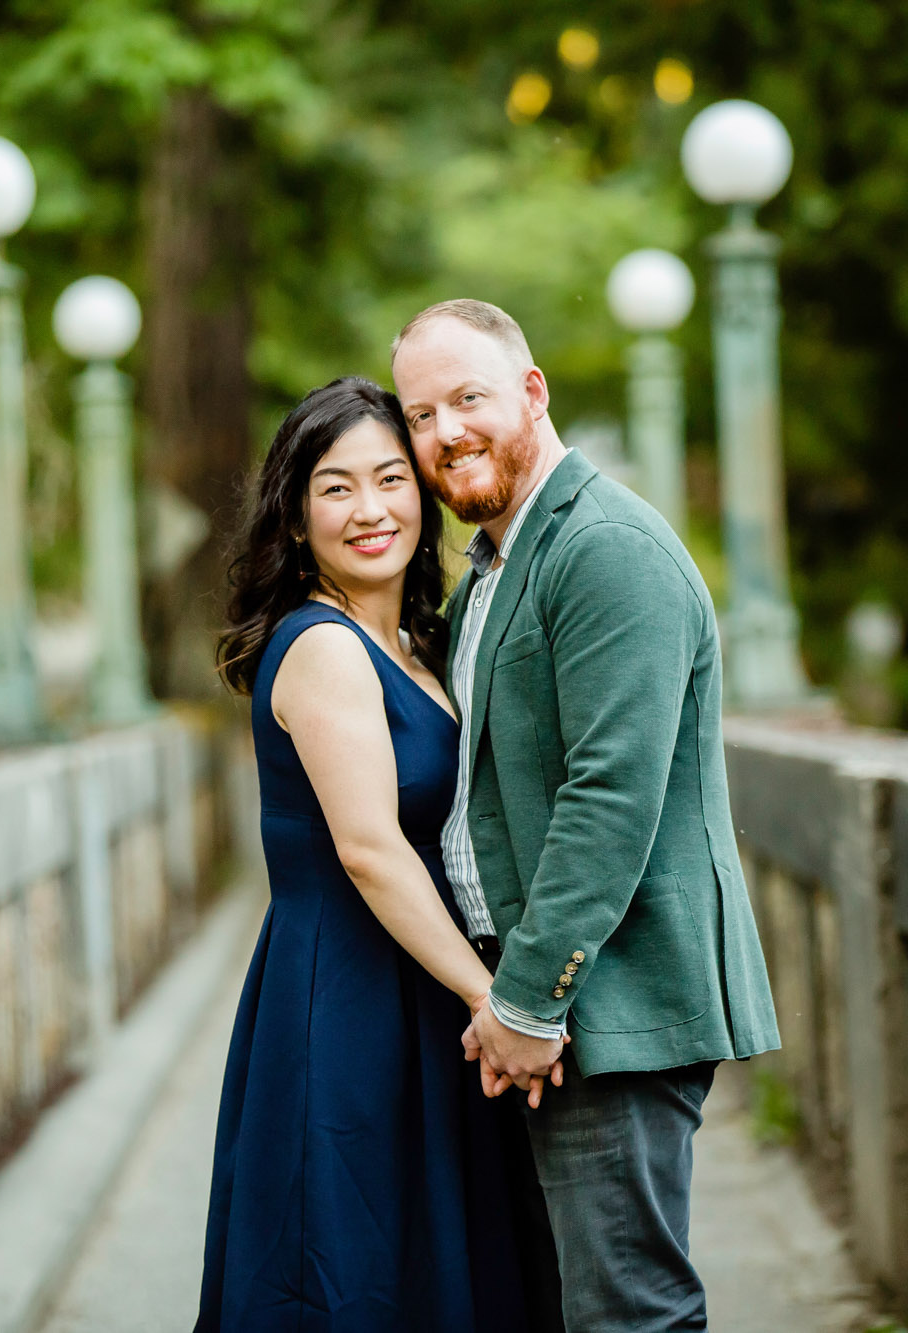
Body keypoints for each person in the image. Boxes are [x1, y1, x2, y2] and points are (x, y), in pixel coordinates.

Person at [389, 299, 783, 1332]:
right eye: (419, 415)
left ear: (531, 391)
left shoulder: (603, 550)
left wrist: (524, 1002)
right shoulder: (491, 569)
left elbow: (608, 798)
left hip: (607, 1008)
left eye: (466, 398)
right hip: (541, 1008)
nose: (444, 434)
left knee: (627, 1314)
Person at [195, 376, 559, 1331]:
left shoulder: (409, 645)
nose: (370, 510)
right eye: (336, 486)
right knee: (352, 1272)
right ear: (296, 511)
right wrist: (499, 1003)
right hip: (350, 1002)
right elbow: (369, 850)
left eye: (392, 478)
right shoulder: (322, 647)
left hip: (417, 989)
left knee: (434, 1272)